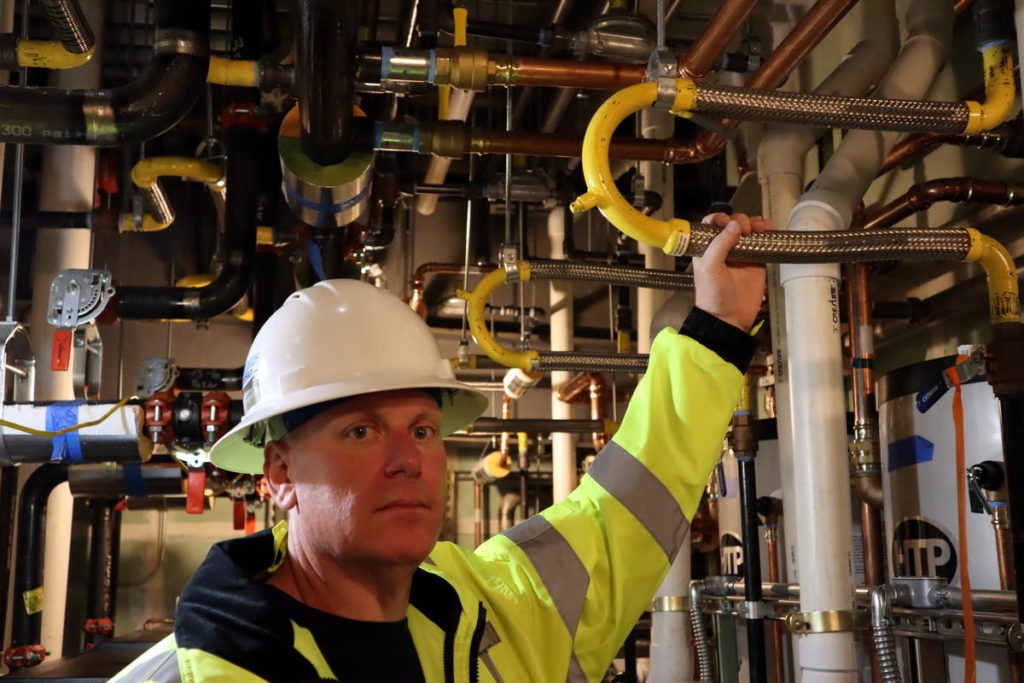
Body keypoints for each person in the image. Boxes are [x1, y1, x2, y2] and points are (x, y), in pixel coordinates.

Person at [111, 212, 770, 682]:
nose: (408, 458)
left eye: (422, 429)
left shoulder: (492, 606)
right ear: (278, 472)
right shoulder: (203, 670)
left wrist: (718, 325)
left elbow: (626, 510)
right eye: (361, 430)